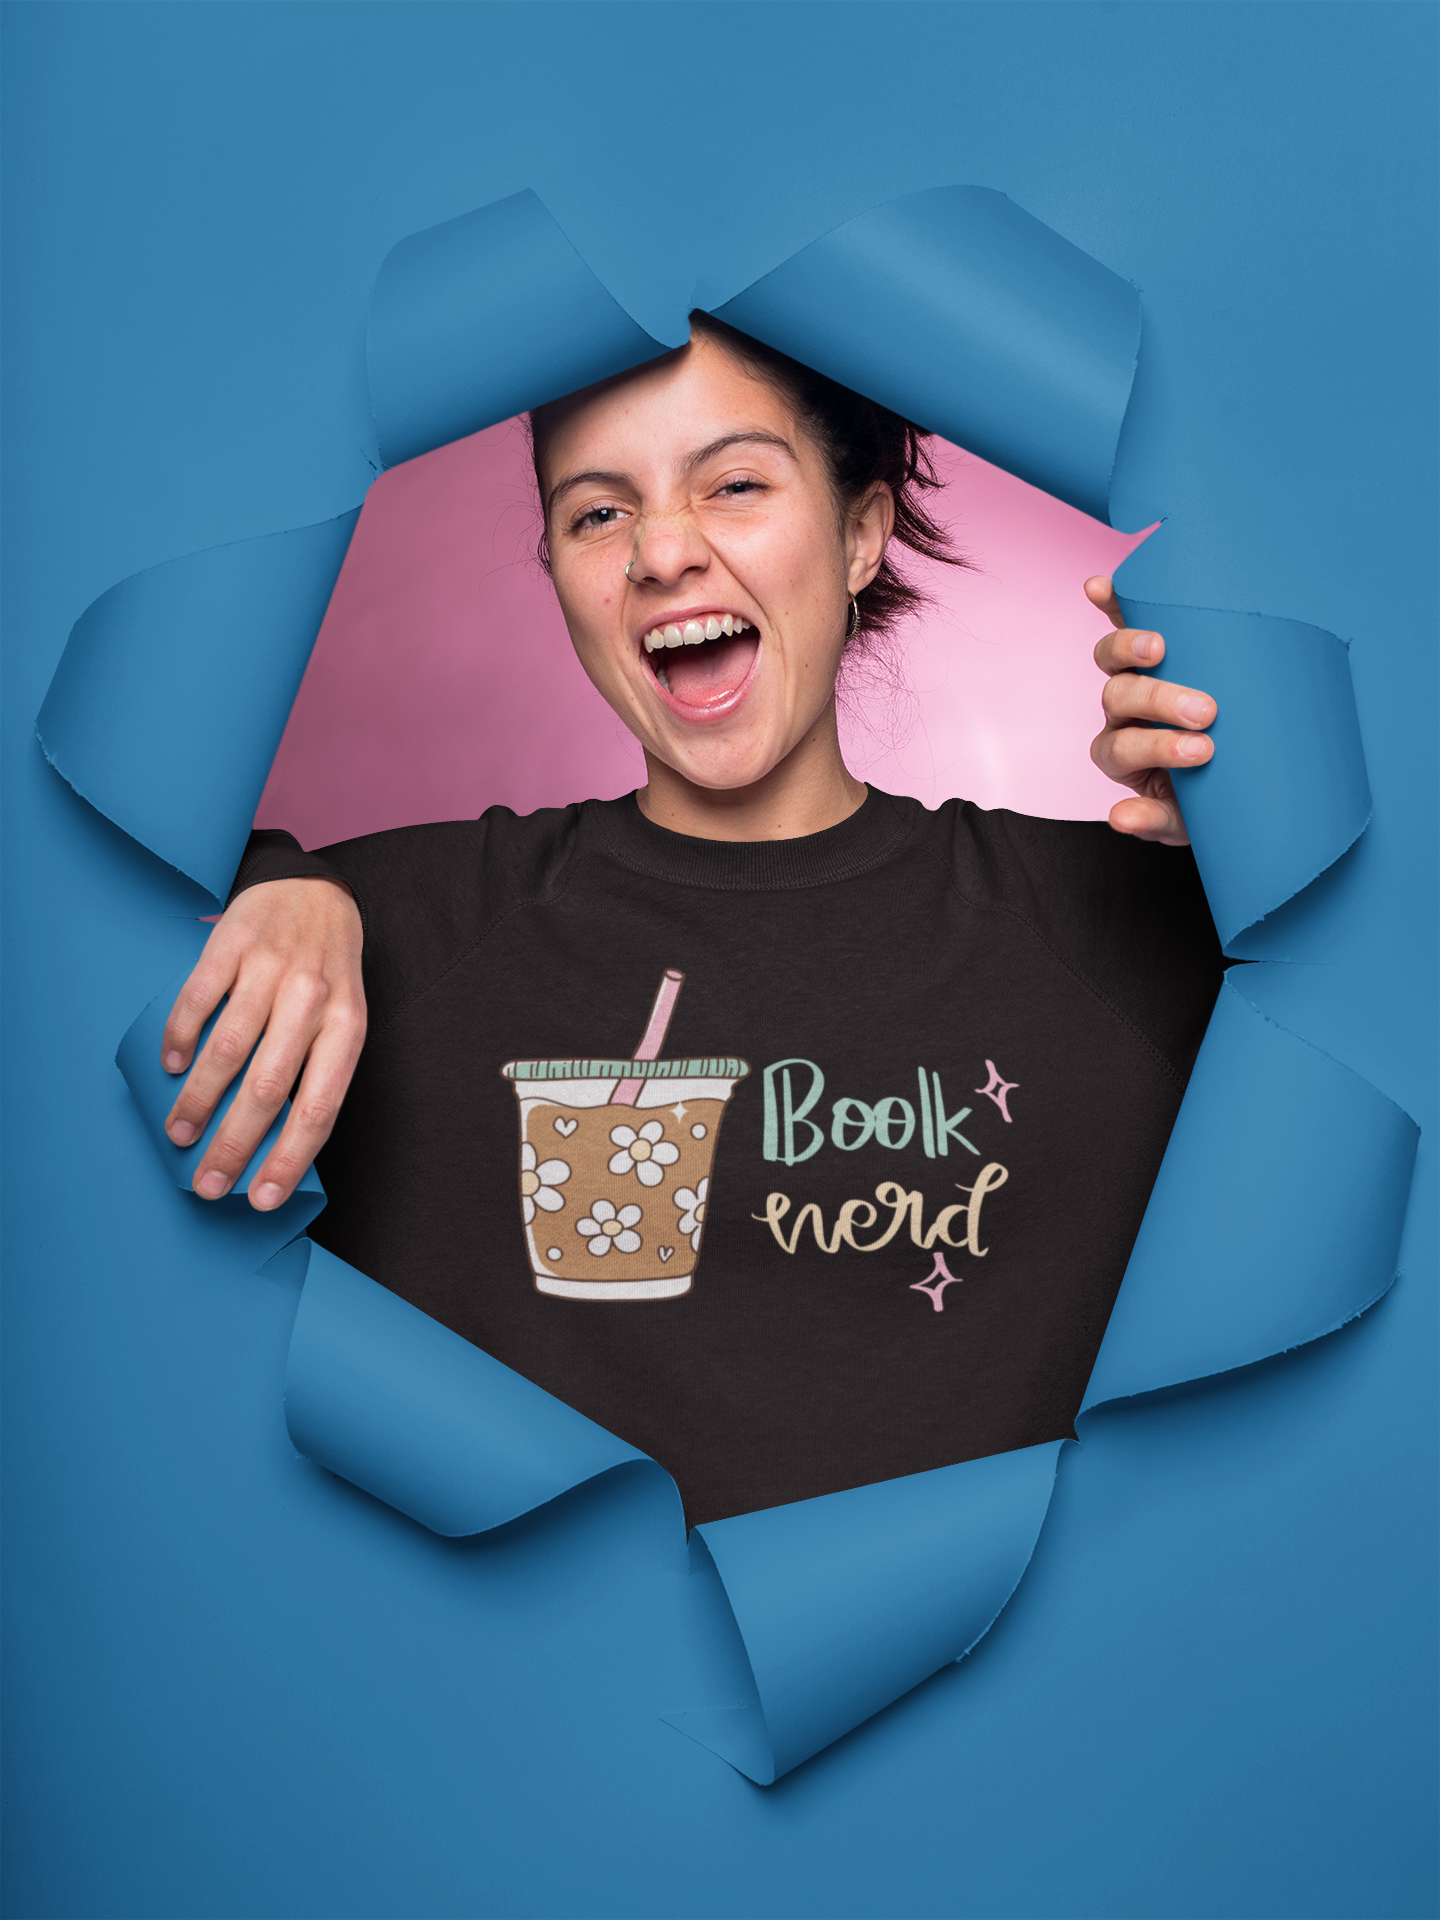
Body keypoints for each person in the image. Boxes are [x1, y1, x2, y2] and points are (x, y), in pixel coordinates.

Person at [159, 314, 1222, 1526]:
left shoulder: (1115, 923)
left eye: (736, 483)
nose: (664, 553)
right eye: (597, 513)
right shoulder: (384, 937)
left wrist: (1250, 858)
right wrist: (270, 880)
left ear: (862, 533)